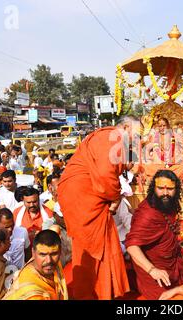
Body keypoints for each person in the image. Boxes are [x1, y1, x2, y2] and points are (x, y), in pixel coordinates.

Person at [58, 116, 139, 299]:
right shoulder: (112, 136)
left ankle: (103, 291)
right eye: (137, 134)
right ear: (126, 127)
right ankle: (91, 292)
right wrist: (116, 196)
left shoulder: (113, 139)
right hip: (83, 196)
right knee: (91, 246)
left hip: (87, 196)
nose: (137, 139)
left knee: (103, 242)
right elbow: (105, 175)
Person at [125, 170, 183, 299]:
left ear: (177, 189)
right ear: (153, 188)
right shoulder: (148, 213)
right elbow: (132, 246)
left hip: (172, 263)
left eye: (170, 189)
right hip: (152, 268)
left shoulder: (170, 203)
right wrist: (152, 270)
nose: (165, 193)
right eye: (160, 188)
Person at [3, 229, 68, 300]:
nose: (49, 260)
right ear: (33, 253)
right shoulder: (32, 294)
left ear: (60, 252)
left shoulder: (52, 263)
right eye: (43, 254)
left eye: (53, 254)